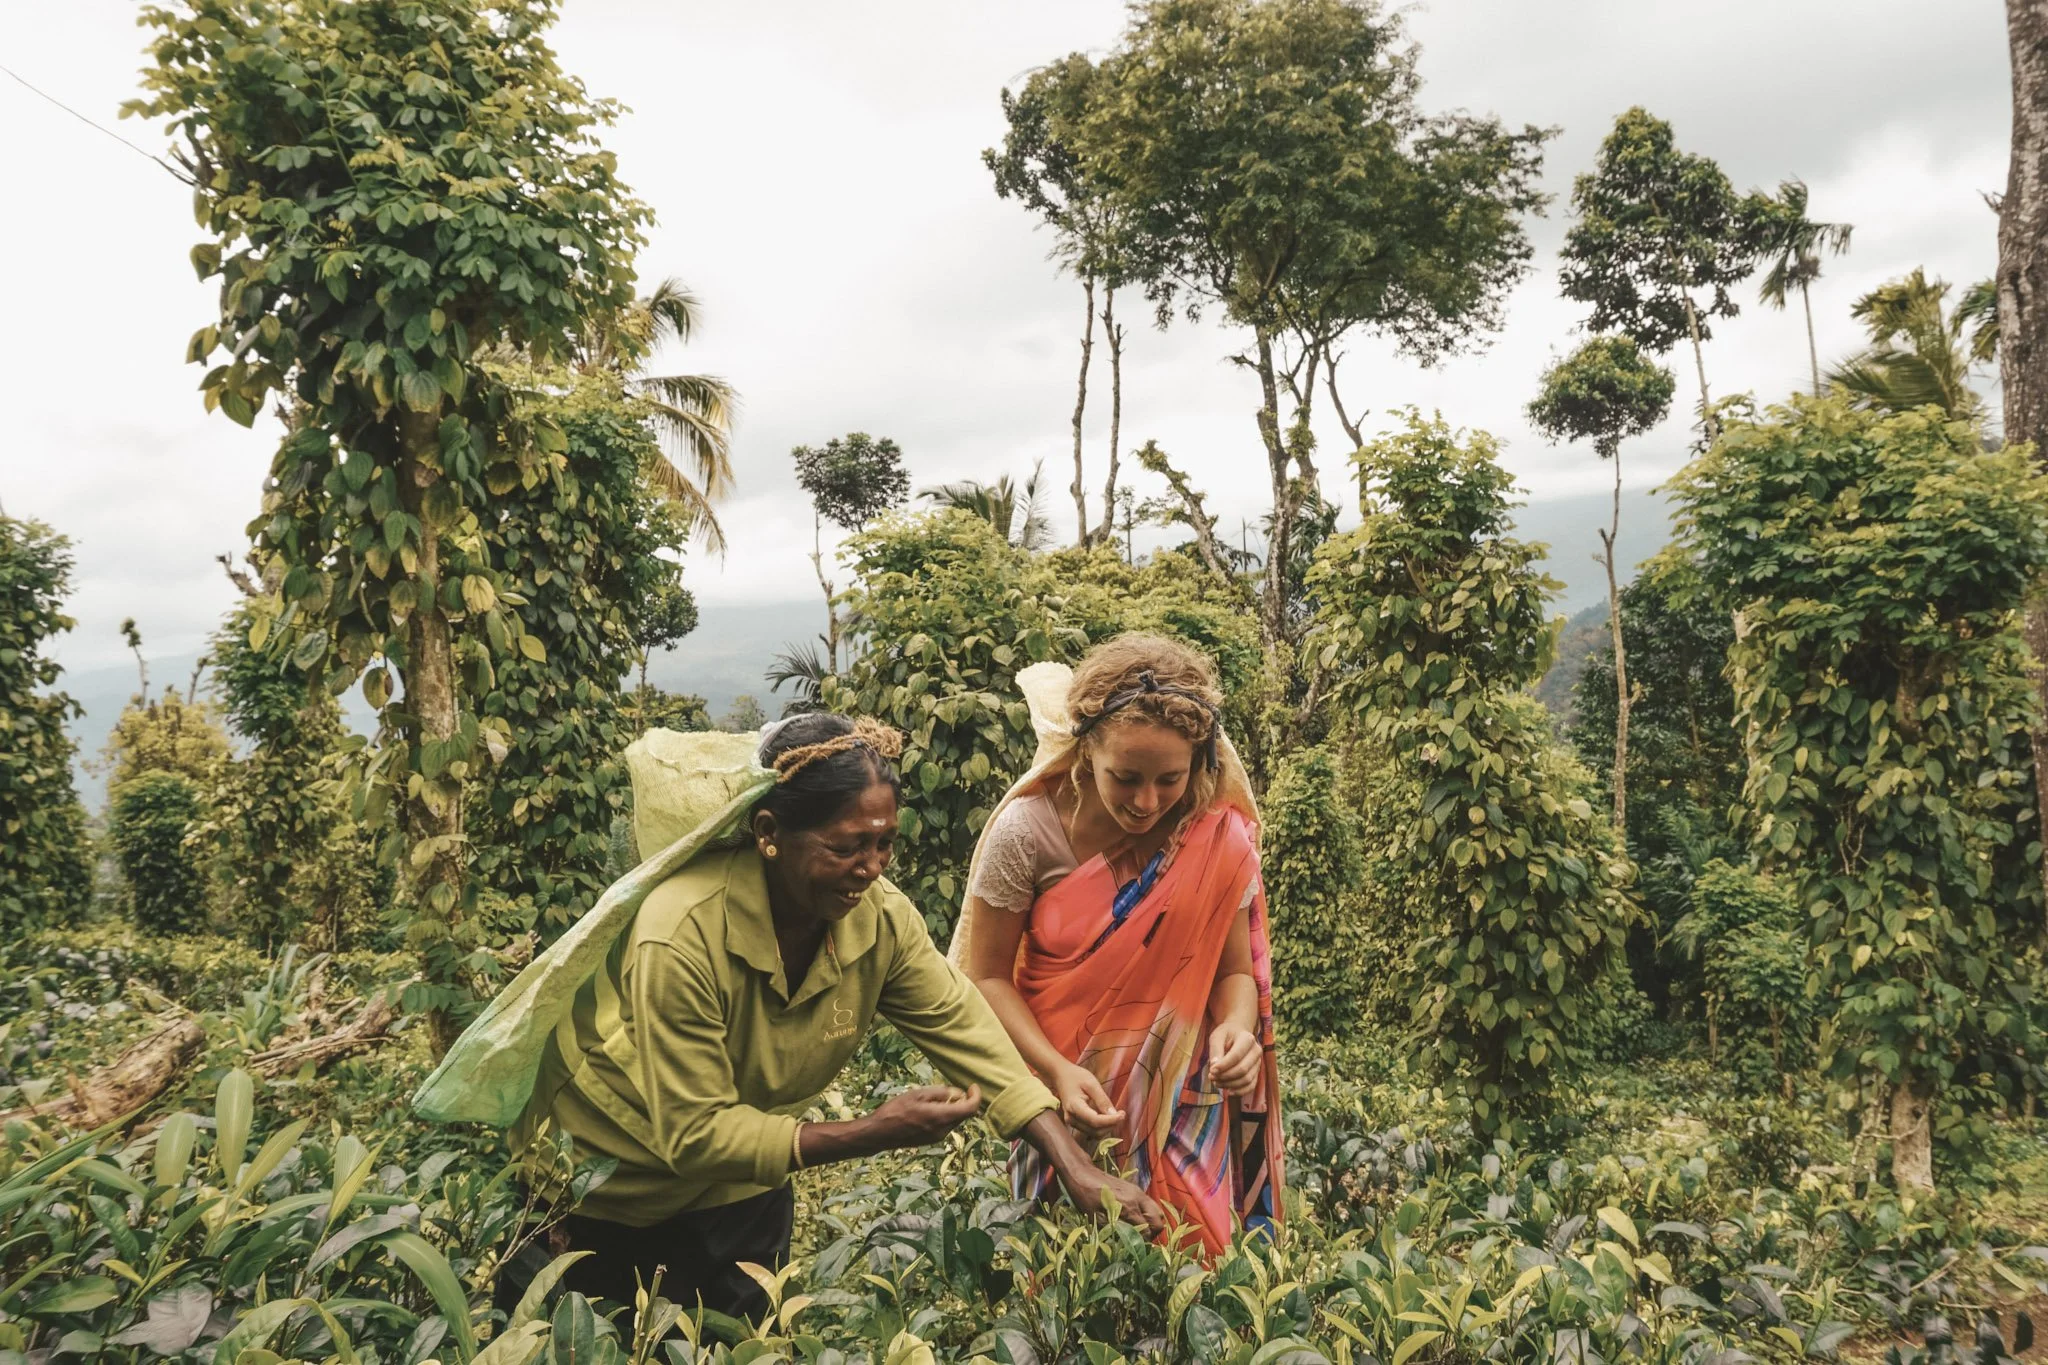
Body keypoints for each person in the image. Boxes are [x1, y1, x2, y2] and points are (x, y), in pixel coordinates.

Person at [486, 713, 1163, 1321]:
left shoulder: (879, 917)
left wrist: (1073, 1161)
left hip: (742, 1189)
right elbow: (692, 1132)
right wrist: (871, 1130)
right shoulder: (682, 930)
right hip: (604, 1193)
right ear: (769, 833)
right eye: (846, 846)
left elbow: (968, 1031)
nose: (870, 867)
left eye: (885, 843)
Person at [952, 635, 1284, 1255]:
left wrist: (1237, 1028)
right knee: (1061, 1285)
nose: (1147, 802)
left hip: (1185, 1097)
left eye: (1170, 779)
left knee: (1194, 1277)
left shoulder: (1216, 837)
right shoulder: (1027, 835)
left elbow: (1233, 972)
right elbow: (987, 977)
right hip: (1062, 1104)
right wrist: (1056, 1070)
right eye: (1125, 778)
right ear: (1086, 751)